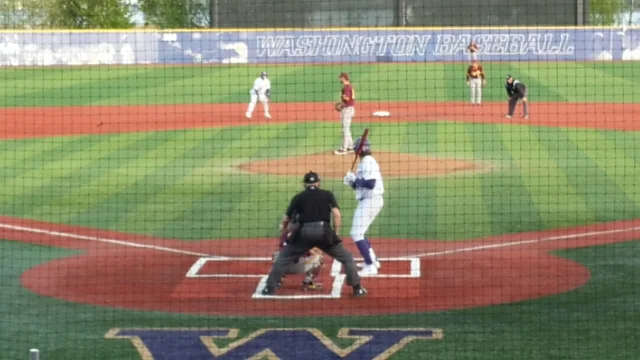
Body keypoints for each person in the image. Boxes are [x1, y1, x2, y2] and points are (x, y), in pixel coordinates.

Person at [261, 171, 367, 297]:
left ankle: (269, 288)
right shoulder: (327, 194)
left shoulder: (298, 197)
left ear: (304, 184)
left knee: (283, 258)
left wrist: (284, 230)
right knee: (347, 258)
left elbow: (286, 219)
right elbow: (337, 215)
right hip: (324, 232)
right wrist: (336, 234)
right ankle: (357, 288)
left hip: (304, 233)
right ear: (318, 183)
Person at [343, 137, 384, 276]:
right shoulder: (365, 163)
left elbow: (371, 184)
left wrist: (355, 179)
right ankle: (372, 260)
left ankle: (370, 266)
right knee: (360, 231)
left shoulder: (368, 162)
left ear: (357, 150)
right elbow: (361, 186)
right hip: (369, 200)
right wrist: (351, 182)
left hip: (371, 201)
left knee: (356, 233)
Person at [271, 215, 324, 291]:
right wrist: (318, 254)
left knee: (276, 254)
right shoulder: (303, 235)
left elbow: (285, 220)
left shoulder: (284, 234)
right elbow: (310, 251)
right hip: (296, 267)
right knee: (318, 258)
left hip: (280, 265)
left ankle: (278, 280)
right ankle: (308, 283)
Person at [334, 72, 355, 155]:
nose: (339, 79)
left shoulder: (346, 87)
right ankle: (351, 147)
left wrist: (341, 102)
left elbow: (347, 99)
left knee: (345, 129)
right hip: (349, 109)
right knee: (346, 129)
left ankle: (344, 149)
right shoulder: (349, 86)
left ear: (343, 78)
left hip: (347, 110)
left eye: (340, 78)